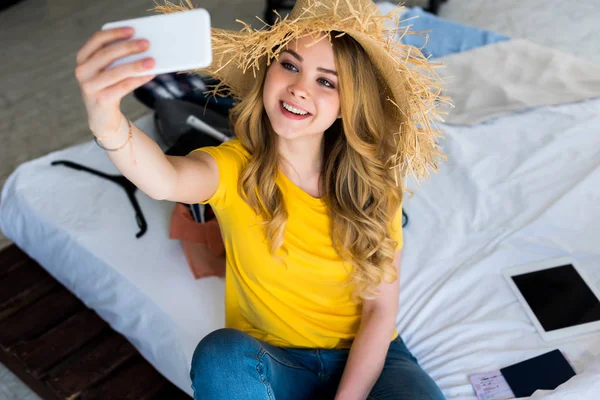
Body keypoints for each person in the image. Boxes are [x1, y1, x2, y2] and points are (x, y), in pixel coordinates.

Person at [74, 0, 450, 398]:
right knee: (220, 356)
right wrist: (107, 119)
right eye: (289, 65)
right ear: (268, 72)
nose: (299, 88)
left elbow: (379, 310)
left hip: (373, 361)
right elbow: (164, 180)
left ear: (348, 105)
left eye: (327, 82)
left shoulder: (376, 184)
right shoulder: (234, 168)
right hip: (272, 360)